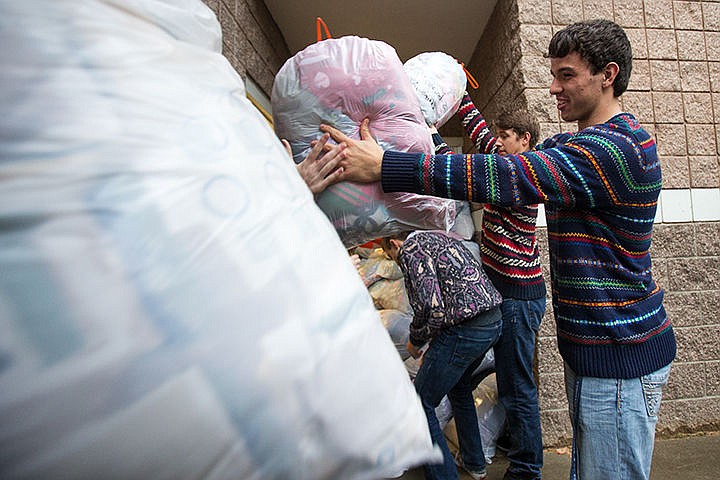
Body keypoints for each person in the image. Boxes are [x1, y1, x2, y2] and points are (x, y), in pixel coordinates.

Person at [321, 19, 676, 480]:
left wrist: (389, 165)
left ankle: (524, 467)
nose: (553, 87)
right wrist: (452, 98)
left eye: (566, 75)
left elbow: (509, 177)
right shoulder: (577, 144)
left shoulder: (617, 148)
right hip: (594, 353)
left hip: (619, 356)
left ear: (608, 75)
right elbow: (497, 162)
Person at [433, 98, 547, 480]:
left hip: (518, 296)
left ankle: (527, 468)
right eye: (497, 135)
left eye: (506, 136)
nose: (497, 141)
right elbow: (481, 136)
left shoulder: (518, 175)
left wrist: (435, 147)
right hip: (498, 294)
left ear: (524, 140)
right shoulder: (502, 159)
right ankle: (475, 457)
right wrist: (458, 92)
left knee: (516, 387)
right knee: (463, 374)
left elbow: (466, 171)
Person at [381, 230, 503, 480]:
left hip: (466, 330)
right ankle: (475, 464)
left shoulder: (411, 249)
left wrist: (416, 341)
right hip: (492, 323)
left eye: (391, 256)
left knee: (420, 402)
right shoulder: (436, 238)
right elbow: (447, 299)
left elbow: (432, 308)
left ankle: (443, 476)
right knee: (459, 388)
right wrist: (434, 347)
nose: (397, 262)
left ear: (394, 243)